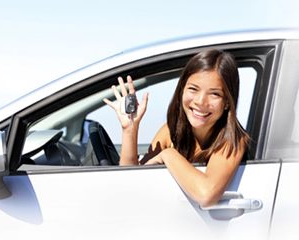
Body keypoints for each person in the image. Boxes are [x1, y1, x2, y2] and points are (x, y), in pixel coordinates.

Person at [103, 49, 249, 207]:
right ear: (182, 90)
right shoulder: (170, 131)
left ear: (227, 102)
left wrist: (168, 154)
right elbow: (130, 181)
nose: (201, 101)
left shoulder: (234, 139)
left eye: (214, 94)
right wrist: (130, 129)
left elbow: (207, 195)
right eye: (193, 89)